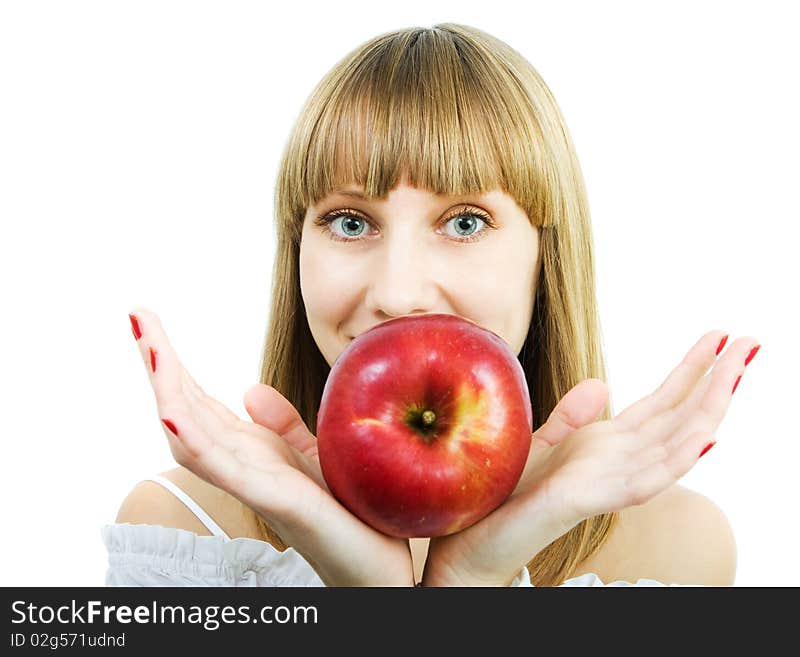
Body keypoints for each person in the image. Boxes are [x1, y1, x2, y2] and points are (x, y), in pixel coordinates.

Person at [104, 23, 759, 587]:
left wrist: (470, 582)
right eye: (351, 223)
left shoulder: (679, 549)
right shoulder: (179, 536)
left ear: (546, 257)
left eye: (465, 222)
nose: (400, 293)